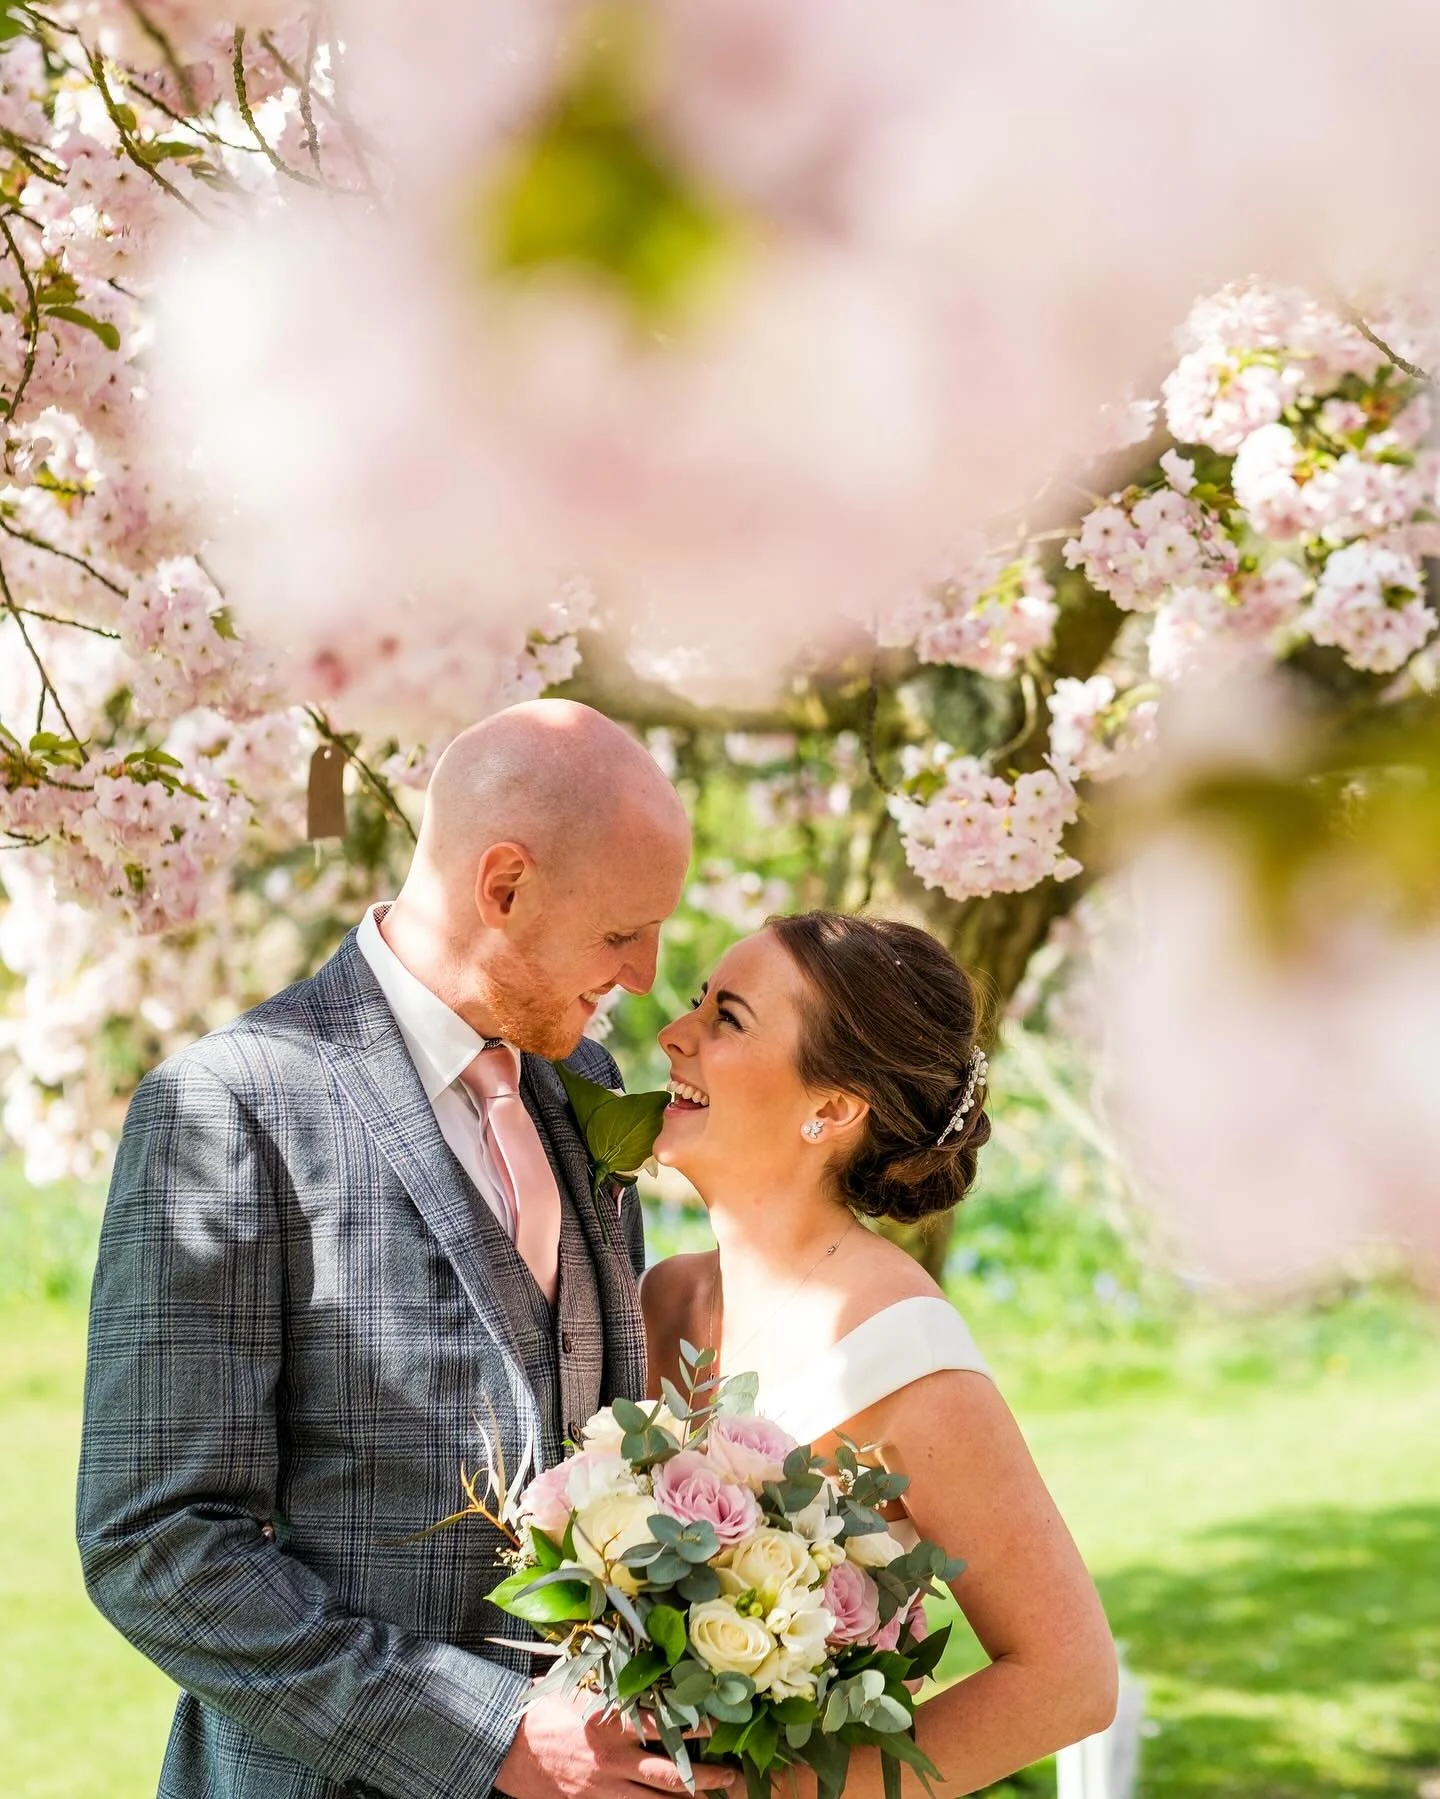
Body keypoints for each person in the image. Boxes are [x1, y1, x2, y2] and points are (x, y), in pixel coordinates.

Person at [76, 699, 737, 1799]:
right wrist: (491, 1736)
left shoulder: (589, 1089)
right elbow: (157, 1543)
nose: (643, 972)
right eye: (623, 931)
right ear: (505, 884)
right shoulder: (228, 1108)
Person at [642, 910, 1119, 1796]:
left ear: (832, 1107)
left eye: (727, 1019)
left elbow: (1069, 1678)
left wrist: (778, 1793)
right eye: (696, 1003)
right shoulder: (661, 1295)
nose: (675, 1034)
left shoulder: (900, 1344)